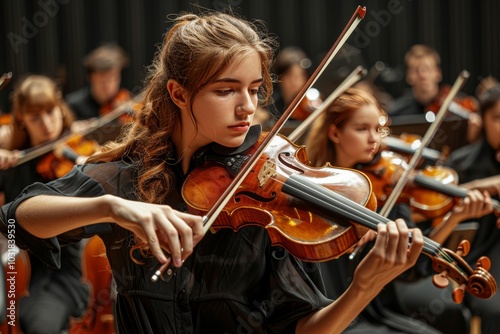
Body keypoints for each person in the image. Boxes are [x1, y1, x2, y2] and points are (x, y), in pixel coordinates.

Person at [0, 12, 424, 334]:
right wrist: (114, 209)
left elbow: (303, 327)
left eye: (254, 89)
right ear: (178, 93)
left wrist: (364, 287)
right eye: (225, 90)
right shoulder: (128, 179)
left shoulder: (264, 200)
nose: (246, 107)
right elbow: (18, 218)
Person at [304, 87, 493, 334]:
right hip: (326, 309)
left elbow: (413, 268)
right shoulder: (308, 190)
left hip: (372, 307)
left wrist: (454, 217)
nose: (375, 139)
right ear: (335, 133)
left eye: (377, 129)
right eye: (362, 129)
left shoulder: (387, 188)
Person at [0, 75, 90, 333]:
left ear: (61, 110)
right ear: (21, 121)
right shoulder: (13, 167)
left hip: (65, 273)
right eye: (35, 117)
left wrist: (86, 163)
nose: (47, 124)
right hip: (20, 270)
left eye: (51, 112)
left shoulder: (75, 156)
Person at [443, 83, 500, 334]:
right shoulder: (462, 161)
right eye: (497, 118)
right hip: (475, 255)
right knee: (494, 309)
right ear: (483, 120)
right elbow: (444, 203)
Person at [387, 44, 482, 145]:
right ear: (409, 76)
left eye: (428, 69)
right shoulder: (396, 112)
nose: (423, 75)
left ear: (438, 73)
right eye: (416, 70)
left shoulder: (459, 103)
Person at [65, 43, 132, 123]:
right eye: (102, 81)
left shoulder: (126, 101)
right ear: (90, 78)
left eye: (115, 79)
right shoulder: (73, 106)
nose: (109, 86)